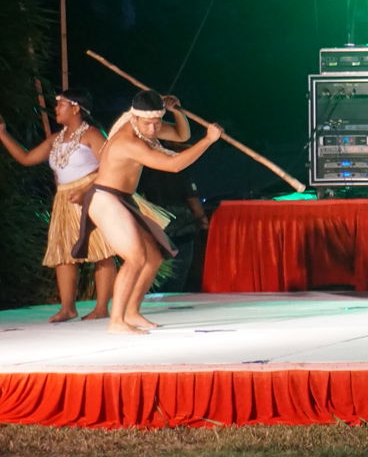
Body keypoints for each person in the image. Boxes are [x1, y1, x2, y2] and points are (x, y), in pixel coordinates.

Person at [74, 90, 223, 334]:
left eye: (157, 123)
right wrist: (208, 140)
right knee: (135, 258)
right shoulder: (129, 141)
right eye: (149, 124)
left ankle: (131, 312)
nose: (154, 129)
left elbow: (181, 135)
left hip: (123, 199)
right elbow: (174, 165)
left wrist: (176, 112)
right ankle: (116, 321)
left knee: (153, 256)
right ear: (135, 118)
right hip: (106, 199)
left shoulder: (145, 128)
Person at [0, 88, 117, 323]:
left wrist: (85, 189)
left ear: (76, 108)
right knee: (63, 254)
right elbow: (26, 159)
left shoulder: (92, 134)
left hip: (91, 196)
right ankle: (67, 308)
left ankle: (102, 307)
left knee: (101, 252)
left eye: (60, 104)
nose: (56, 109)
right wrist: (2, 134)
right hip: (64, 199)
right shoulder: (55, 139)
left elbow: (112, 166)